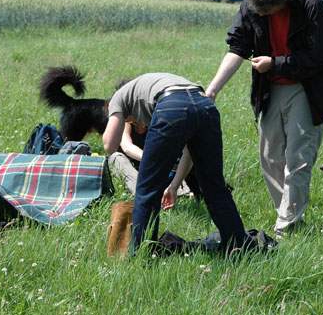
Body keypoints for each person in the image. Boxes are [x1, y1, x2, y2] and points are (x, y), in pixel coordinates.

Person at [205, 0, 323, 236]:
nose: (260, 15)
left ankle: (287, 226)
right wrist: (212, 90)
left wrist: (275, 63)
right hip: (269, 89)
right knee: (270, 157)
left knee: (299, 157)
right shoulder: (252, 4)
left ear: (283, 0)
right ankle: (289, 214)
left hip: (308, 88)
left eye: (266, 13)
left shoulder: (310, 4)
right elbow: (238, 46)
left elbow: (319, 56)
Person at [103, 73, 251, 253]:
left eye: (131, 121)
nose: (137, 125)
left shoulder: (118, 98)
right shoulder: (151, 89)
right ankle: (239, 247)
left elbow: (109, 145)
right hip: (205, 105)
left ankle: (139, 253)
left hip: (171, 106)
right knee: (215, 187)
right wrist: (174, 185)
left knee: (147, 190)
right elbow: (190, 151)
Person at [108, 120, 193, 197]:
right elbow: (127, 147)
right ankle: (144, 191)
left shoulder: (158, 123)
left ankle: (177, 189)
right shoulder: (125, 122)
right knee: (116, 157)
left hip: (152, 169)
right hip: (131, 168)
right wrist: (151, 159)